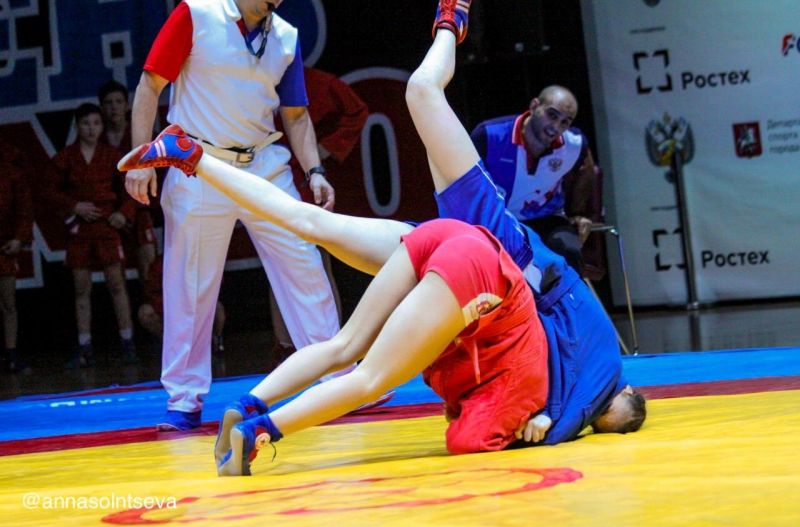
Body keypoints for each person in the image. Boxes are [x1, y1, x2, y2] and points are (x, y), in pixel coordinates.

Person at [120, 0, 646, 474]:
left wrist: (544, 418)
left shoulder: (558, 379)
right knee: (421, 93)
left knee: (313, 228)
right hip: (499, 249)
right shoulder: (595, 377)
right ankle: (451, 21)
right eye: (607, 418)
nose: (599, 419)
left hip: (460, 253)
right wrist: (553, 426)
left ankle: (191, 155)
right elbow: (572, 410)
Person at [125, 0, 340, 430]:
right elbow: (150, 84)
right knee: (190, 285)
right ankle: (184, 398)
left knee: (305, 265)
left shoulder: (286, 37)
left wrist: (315, 170)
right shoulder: (196, 13)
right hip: (198, 163)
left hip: (264, 164)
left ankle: (338, 379)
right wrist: (142, 157)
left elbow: (296, 115)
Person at [268, 67, 369, 360]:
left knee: (317, 260)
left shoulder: (309, 80)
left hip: (302, 178)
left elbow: (356, 110)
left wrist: (323, 152)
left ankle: (333, 344)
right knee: (276, 263)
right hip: (267, 178)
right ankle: (285, 345)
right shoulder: (248, 80)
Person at [44, 103, 138, 368]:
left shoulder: (112, 155)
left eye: (96, 123)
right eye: (86, 123)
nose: (91, 129)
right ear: (77, 126)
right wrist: (73, 205)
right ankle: (85, 347)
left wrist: (123, 214)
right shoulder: (67, 156)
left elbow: (131, 188)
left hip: (106, 226)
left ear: (101, 125)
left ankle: (128, 343)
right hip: (81, 229)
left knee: (116, 284)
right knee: (81, 288)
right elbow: (47, 190)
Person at [470, 85, 598, 274]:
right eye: (552, 115)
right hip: (496, 220)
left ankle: (567, 294)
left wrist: (579, 213)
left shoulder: (573, 145)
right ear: (534, 106)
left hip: (546, 218)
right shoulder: (489, 136)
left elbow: (587, 171)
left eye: (565, 122)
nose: (556, 127)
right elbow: (463, 182)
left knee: (569, 249)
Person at [98, 80, 158, 286]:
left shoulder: (140, 134)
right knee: (115, 276)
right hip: (110, 214)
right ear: (101, 108)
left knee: (149, 270)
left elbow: (152, 175)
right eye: (108, 103)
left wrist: (127, 211)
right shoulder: (96, 139)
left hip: (139, 210)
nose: (114, 107)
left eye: (118, 102)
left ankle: (152, 306)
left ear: (126, 105)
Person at [137, 254, 227, 359]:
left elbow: (215, 286)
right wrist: (175, 308)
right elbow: (152, 293)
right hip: (171, 311)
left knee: (217, 309)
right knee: (145, 312)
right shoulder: (161, 263)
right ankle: (172, 345)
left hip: (198, 309)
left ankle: (214, 341)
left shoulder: (203, 260)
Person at [0, 141, 33, 373]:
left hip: (4, 247)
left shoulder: (11, 172)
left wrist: (19, 239)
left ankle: (11, 354)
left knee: (8, 302)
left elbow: (24, 210)